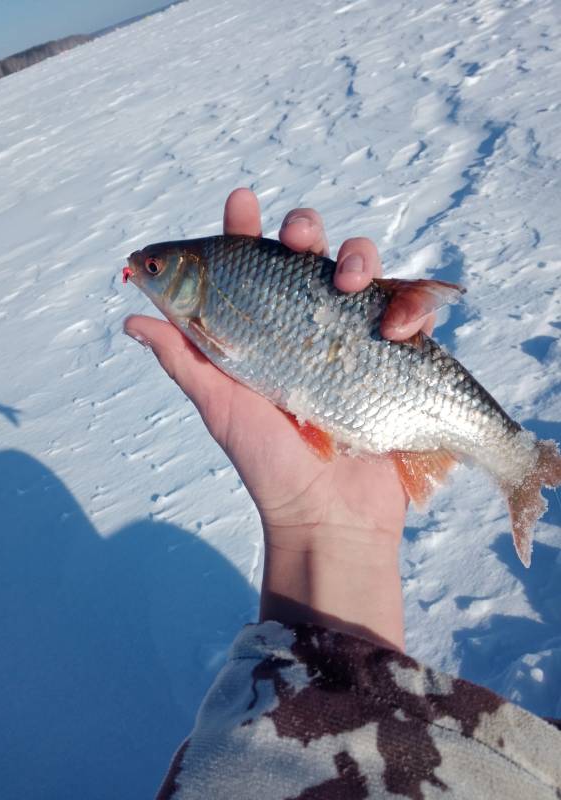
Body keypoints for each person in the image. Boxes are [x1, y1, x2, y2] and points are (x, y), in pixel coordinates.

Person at [124, 190, 561, 799]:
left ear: (186, 278)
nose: (146, 272)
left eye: (155, 269)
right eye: (150, 267)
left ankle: (522, 463)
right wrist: (325, 532)